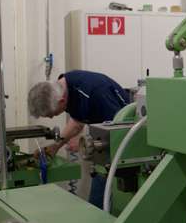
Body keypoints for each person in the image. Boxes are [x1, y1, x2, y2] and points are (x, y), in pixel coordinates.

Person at [28, 70, 130, 208]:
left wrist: (85, 141)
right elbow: (77, 122)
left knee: (115, 205)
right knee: (96, 205)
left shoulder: (97, 93)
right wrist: (55, 147)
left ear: (62, 101)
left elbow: (120, 130)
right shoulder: (65, 85)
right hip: (105, 150)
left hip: (125, 149)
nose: (52, 117)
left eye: (52, 114)